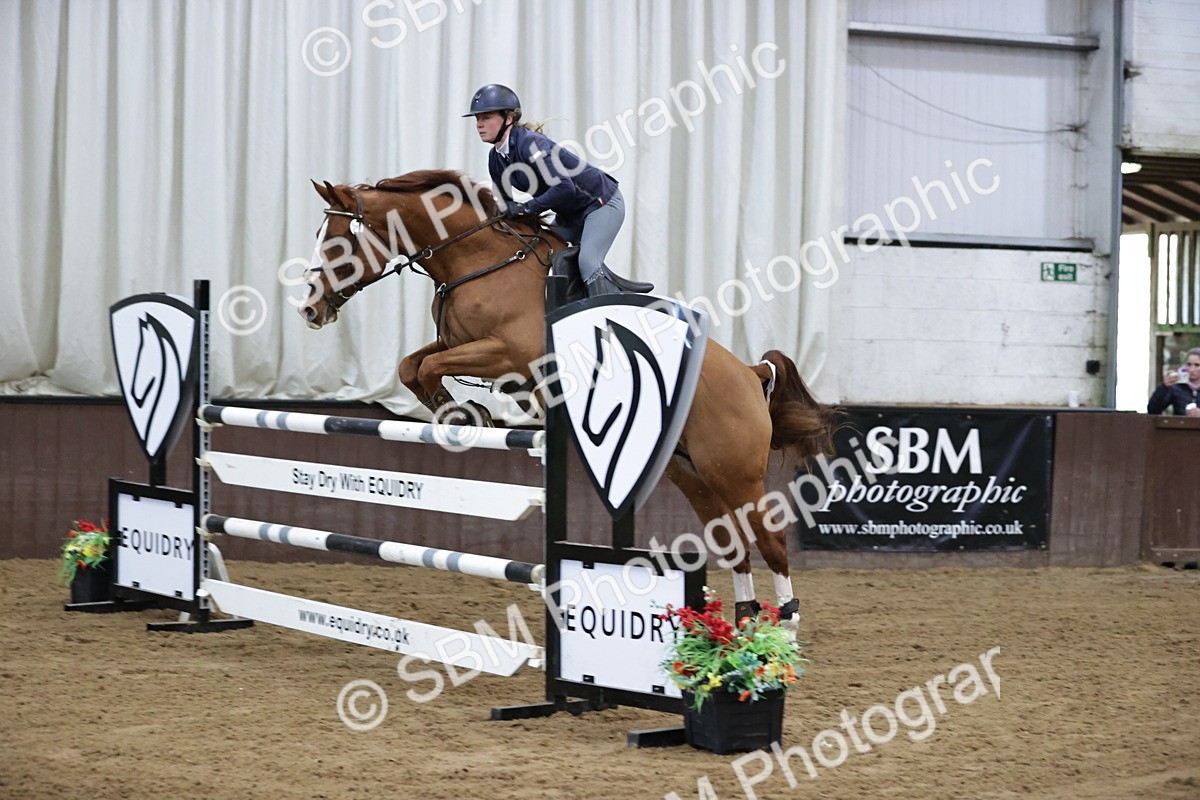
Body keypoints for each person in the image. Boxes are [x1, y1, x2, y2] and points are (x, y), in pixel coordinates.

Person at [465, 83, 651, 297]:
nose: (479, 125)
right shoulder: (496, 158)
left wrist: (527, 208)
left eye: (486, 117)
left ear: (508, 118)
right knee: (541, 250)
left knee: (589, 262)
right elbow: (505, 204)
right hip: (569, 214)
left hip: (601, 204)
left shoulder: (531, 145)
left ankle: (607, 312)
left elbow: (565, 188)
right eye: (477, 119)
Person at [1147, 347, 1200, 416]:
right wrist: (1164, 387)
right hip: (1179, 422)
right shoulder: (1177, 387)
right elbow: (1153, 410)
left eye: (1197, 365)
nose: (1192, 369)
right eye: (1189, 364)